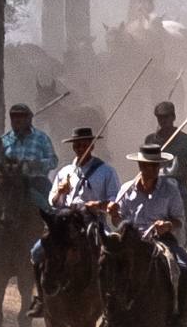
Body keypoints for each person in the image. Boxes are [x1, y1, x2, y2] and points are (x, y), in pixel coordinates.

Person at [97, 144, 187, 327]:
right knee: (105, 265)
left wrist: (167, 225)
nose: (151, 170)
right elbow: (119, 221)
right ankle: (109, 316)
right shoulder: (127, 190)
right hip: (131, 241)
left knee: (186, 268)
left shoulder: (170, 189)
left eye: (155, 166)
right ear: (140, 166)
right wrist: (113, 214)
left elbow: (179, 220)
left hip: (161, 240)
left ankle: (181, 317)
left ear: (160, 167)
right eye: (146, 166)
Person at [27, 126, 119, 317]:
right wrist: (60, 191)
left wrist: (98, 204)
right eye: (77, 145)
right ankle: (42, 298)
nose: (80, 148)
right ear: (73, 147)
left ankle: (111, 306)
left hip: (93, 221)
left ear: (92, 146)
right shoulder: (65, 171)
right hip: (66, 222)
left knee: (112, 255)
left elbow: (114, 201)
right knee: (37, 252)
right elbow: (53, 202)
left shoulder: (106, 171)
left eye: (85, 144)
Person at [0, 103, 58, 270]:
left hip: (35, 181)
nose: (17, 120)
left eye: (21, 117)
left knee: (51, 212)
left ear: (29, 119)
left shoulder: (41, 138)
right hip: (11, 185)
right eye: (14, 117)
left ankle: (56, 252)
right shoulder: (5, 140)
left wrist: (34, 164)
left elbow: (53, 161)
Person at [145, 101, 187, 260]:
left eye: (166, 118)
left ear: (174, 117)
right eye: (160, 118)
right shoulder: (150, 140)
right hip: (154, 190)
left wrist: (178, 175)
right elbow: (144, 165)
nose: (163, 121)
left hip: (179, 189)